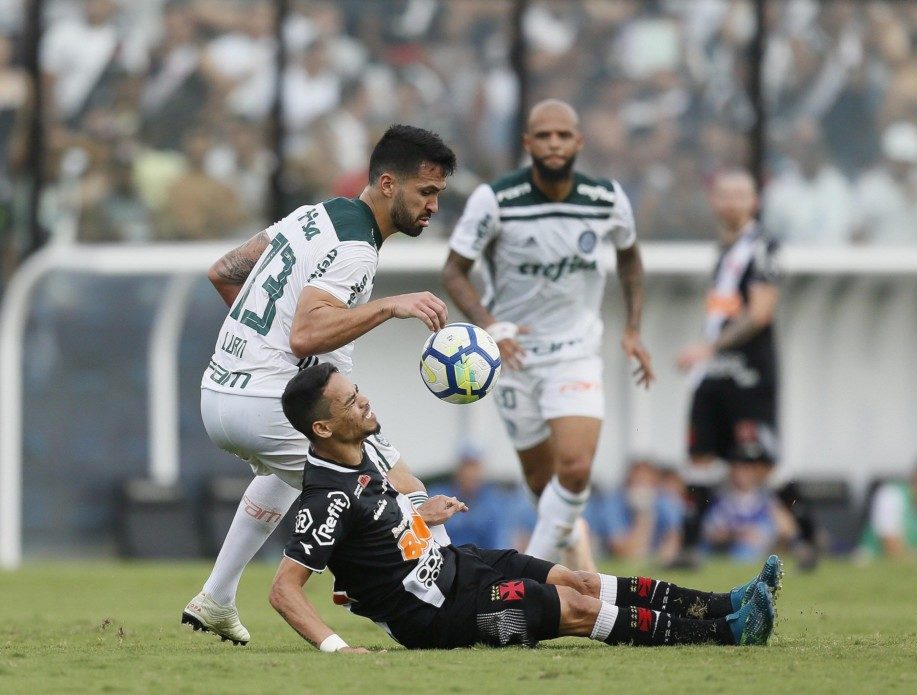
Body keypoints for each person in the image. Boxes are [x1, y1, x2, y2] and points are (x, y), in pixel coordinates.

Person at [269, 363, 780, 652]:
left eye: (358, 390)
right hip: (438, 616)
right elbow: (283, 590)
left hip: (459, 565)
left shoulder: (363, 457)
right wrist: (338, 650)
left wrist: (421, 517)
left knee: (580, 580)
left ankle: (728, 600)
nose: (364, 402)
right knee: (576, 609)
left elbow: (374, 532)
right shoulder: (325, 499)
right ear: (322, 429)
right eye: (350, 402)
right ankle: (727, 633)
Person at [182, 125, 457, 645]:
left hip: (219, 394)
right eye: (427, 192)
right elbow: (306, 332)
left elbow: (225, 271)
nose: (433, 206)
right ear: (388, 183)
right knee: (404, 492)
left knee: (294, 474)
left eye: (438, 194)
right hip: (266, 401)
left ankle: (217, 597)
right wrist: (389, 305)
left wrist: (265, 356)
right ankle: (437, 618)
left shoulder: (315, 215)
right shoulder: (356, 249)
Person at [441, 99, 655, 571]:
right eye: (544, 136)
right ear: (528, 144)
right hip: (513, 358)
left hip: (575, 352)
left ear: (578, 141)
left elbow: (630, 258)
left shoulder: (606, 199)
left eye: (563, 135)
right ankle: (577, 552)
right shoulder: (495, 200)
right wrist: (491, 326)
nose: (554, 143)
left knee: (575, 470)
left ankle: (532, 576)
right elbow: (454, 271)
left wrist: (634, 327)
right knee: (543, 485)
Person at [676, 170, 814, 566]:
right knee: (699, 456)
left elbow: (760, 313)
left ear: (755, 202)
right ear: (714, 201)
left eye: (741, 195)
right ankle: (687, 546)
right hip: (714, 372)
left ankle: (806, 536)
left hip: (749, 373)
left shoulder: (762, 247)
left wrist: (708, 347)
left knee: (763, 462)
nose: (733, 202)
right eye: (725, 194)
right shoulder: (724, 250)